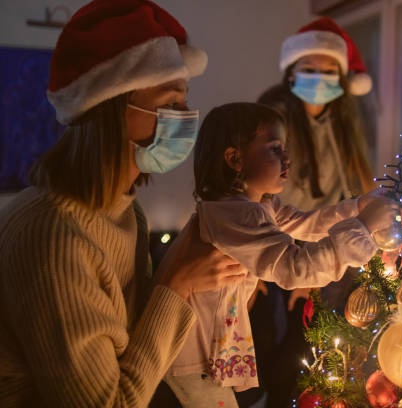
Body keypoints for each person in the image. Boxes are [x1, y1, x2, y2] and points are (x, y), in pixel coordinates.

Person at [0, 1, 247, 406]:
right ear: (111, 110)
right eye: (169, 104)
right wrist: (176, 282)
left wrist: (205, 283)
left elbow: (131, 340)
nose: (185, 119)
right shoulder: (54, 237)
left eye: (183, 104)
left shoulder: (125, 209)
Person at [161, 102, 397, 408]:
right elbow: (293, 269)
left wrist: (356, 209)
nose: (287, 158)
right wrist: (363, 227)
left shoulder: (259, 207)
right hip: (194, 356)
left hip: (208, 353)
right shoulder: (233, 215)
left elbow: (306, 224)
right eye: (274, 149)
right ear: (235, 159)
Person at [246, 17, 377, 406]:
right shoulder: (273, 118)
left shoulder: (345, 118)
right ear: (291, 73)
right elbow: (258, 193)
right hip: (280, 248)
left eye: (327, 70)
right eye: (309, 69)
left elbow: (358, 180)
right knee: (277, 348)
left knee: (318, 351)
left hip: (328, 247)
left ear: (341, 76)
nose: (319, 77)